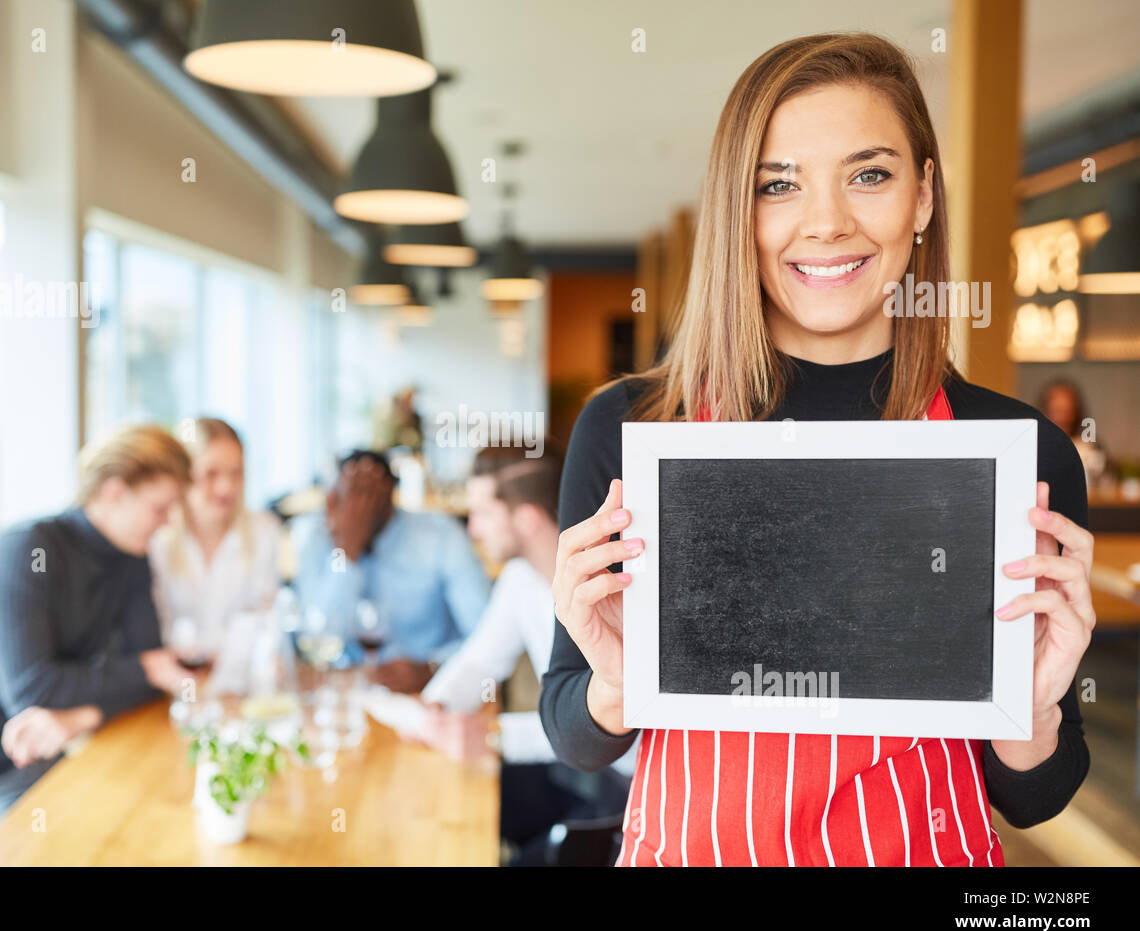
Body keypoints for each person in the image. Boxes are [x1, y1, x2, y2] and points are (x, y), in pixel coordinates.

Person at [542, 32, 1095, 867]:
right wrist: (616, 686)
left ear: (924, 196)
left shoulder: (1022, 455)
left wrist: (1039, 708)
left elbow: (1031, 797)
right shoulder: (633, 428)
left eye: (869, 175)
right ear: (739, 209)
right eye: (778, 185)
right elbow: (576, 734)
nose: (826, 222)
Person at [0, 425, 197, 866]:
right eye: (159, 508)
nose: (166, 524)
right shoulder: (25, 551)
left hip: (27, 776)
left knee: (144, 825)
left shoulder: (129, 558)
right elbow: (34, 691)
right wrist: (144, 671)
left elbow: (148, 672)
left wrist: (83, 713)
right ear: (115, 492)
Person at [419, 440, 634, 864]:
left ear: (528, 519)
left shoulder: (611, 590)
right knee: (441, 807)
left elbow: (607, 733)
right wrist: (435, 705)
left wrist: (497, 738)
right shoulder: (519, 579)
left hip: (622, 789)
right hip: (568, 768)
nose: (472, 529)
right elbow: (481, 661)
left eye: (482, 514)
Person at [288, 449, 490, 693]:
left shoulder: (441, 537)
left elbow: (488, 637)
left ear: (389, 495)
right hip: (343, 693)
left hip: (429, 692)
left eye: (364, 495)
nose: (356, 508)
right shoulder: (318, 538)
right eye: (348, 495)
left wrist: (434, 668)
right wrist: (347, 552)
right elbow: (317, 636)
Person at [149, 417, 283, 695]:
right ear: (183, 475)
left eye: (236, 473)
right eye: (211, 474)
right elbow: (155, 638)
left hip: (244, 695)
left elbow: (269, 628)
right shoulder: (156, 539)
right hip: (171, 696)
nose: (226, 488)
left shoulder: (265, 532)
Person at [1038, 379, 1107, 487]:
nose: (1063, 418)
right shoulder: (1034, 447)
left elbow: (1104, 479)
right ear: (1045, 412)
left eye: (1067, 411)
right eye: (1057, 411)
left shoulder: (1090, 445)